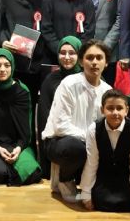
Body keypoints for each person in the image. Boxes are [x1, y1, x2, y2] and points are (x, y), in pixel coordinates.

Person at [42, 40, 114, 200]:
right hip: (59, 141)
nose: (94, 62)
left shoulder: (107, 90)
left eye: (99, 58)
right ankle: (64, 180)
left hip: (91, 143)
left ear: (106, 63)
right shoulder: (69, 84)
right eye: (89, 57)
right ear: (81, 61)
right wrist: (91, 138)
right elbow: (60, 126)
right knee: (75, 148)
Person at [0, 48, 44, 187]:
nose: (2, 69)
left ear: (12, 67)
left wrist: (19, 148)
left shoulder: (22, 91)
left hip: (17, 145)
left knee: (34, 173)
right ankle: (7, 168)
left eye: (7, 65)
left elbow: (26, 129)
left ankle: (9, 168)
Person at [80, 90, 130, 212]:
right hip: (103, 177)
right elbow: (91, 163)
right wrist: (86, 193)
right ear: (102, 110)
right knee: (101, 201)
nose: (115, 113)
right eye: (110, 108)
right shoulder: (94, 129)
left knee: (127, 202)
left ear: (126, 110)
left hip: (125, 177)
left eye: (119, 108)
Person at [0, 0, 51, 84]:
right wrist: (3, 41)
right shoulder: (7, 0)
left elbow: (48, 29)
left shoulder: (44, 1)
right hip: (12, 60)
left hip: (36, 62)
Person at [43, 0, 95, 81]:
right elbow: (46, 29)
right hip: (55, 58)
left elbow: (89, 31)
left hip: (79, 59)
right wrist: (61, 51)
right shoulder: (50, 1)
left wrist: (75, 52)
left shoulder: (87, 2)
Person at [37, 36, 83, 146]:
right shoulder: (50, 80)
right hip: (57, 138)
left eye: (72, 53)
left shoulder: (88, 77)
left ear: (79, 55)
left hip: (84, 135)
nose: (66, 57)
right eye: (62, 53)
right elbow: (44, 116)